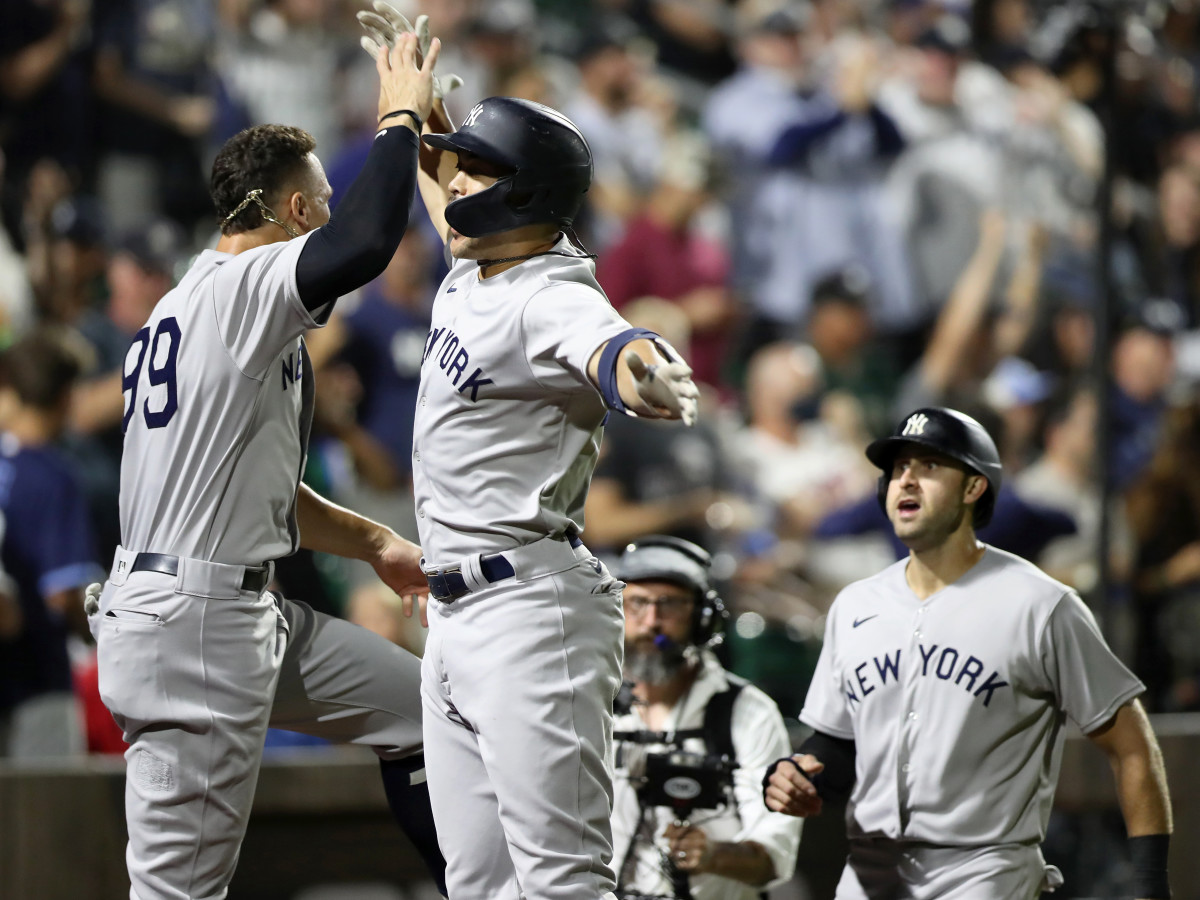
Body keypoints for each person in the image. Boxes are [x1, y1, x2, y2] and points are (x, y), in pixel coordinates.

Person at [90, 31, 446, 900]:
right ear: (292, 215)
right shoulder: (241, 293)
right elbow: (364, 241)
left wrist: (375, 544)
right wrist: (398, 117)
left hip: (236, 608)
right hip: (197, 624)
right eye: (321, 201)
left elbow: (260, 489)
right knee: (178, 894)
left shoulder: (194, 309)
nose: (330, 216)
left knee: (428, 717)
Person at [357, 9, 700, 898]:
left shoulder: (552, 292)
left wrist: (643, 369)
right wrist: (421, 109)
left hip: (528, 614)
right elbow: (443, 195)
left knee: (563, 883)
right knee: (477, 883)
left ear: (520, 194)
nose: (452, 176)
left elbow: (613, 345)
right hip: (458, 615)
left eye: (477, 165)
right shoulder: (481, 259)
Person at [764, 407, 1174, 900]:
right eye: (898, 469)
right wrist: (796, 774)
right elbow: (836, 747)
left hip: (983, 872)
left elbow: (1132, 746)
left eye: (929, 466)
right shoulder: (855, 605)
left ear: (974, 487)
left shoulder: (1039, 605)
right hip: (870, 872)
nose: (906, 480)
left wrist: (1151, 885)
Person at [610, 535, 801, 900]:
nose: (651, 622)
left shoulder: (747, 713)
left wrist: (715, 856)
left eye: (668, 605)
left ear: (703, 618)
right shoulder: (590, 705)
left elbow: (773, 859)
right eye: (636, 604)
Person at [0, 328, 99, 758]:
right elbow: (62, 595)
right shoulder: (53, 476)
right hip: (39, 679)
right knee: (50, 820)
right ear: (64, 398)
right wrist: (98, 633)